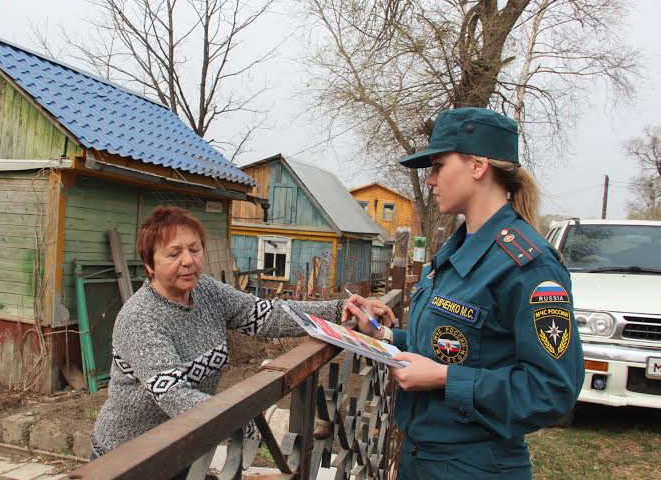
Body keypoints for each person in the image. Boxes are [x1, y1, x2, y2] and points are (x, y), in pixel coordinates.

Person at [344, 108, 584, 479]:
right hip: (421, 457)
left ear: (477, 166)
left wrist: (443, 378)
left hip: (475, 466)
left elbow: (551, 390)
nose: (430, 180)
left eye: (438, 165)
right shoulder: (456, 251)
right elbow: (461, 345)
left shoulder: (528, 267)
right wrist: (385, 336)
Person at [90, 206, 392, 477]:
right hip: (127, 460)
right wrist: (248, 418)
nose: (188, 261)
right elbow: (173, 395)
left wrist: (341, 309)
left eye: (194, 250)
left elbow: (266, 315)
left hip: (181, 451)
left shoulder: (206, 291)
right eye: (174, 253)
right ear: (149, 265)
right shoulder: (141, 318)